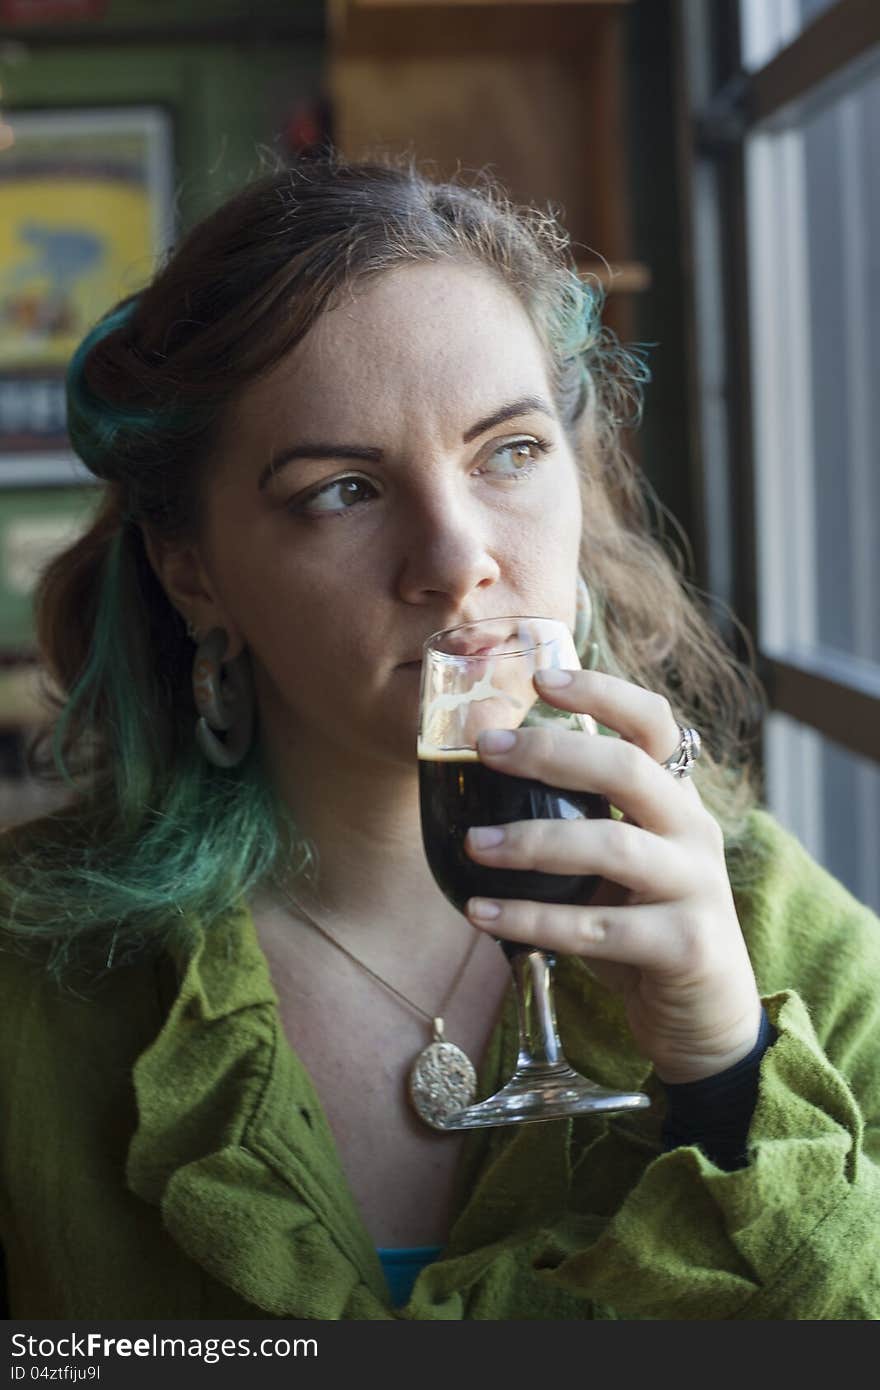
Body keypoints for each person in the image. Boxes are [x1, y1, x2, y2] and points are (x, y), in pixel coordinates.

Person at [1, 154, 878, 1321]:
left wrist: (721, 1071)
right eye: (342, 490)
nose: (458, 556)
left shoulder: (778, 932)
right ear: (191, 569)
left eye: (508, 452)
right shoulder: (34, 979)